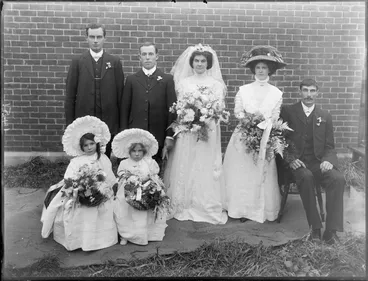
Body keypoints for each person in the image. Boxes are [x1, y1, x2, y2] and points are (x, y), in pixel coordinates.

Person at [163, 44, 228, 224]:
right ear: (191, 63)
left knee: (204, 164)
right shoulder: (184, 83)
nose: (200, 64)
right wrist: (190, 118)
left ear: (209, 64)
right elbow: (180, 108)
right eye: (197, 61)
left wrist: (205, 117)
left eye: (203, 61)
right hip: (188, 131)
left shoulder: (216, 85)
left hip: (208, 130)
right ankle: (183, 203)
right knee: (187, 162)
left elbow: (218, 108)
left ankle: (204, 204)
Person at [222, 45, 287, 223]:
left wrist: (265, 130)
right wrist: (249, 124)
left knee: (260, 172)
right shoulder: (244, 90)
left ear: (270, 70)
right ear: (253, 69)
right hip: (244, 136)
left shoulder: (276, 93)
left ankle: (260, 209)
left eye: (264, 67)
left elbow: (275, 116)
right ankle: (241, 209)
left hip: (265, 137)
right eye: (257, 67)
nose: (260, 71)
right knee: (243, 172)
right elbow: (238, 112)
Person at [280, 78, 345, 244]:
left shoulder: (325, 116)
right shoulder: (288, 111)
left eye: (312, 91)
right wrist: (291, 159)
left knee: (338, 179)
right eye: (305, 90)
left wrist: (328, 160)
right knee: (306, 177)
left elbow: (330, 146)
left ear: (318, 92)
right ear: (300, 91)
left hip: (317, 162)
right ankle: (315, 228)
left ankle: (331, 231)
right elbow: (279, 140)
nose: (309, 95)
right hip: (297, 163)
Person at [41, 116, 118, 251]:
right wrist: (79, 186)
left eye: (92, 144)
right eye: (86, 145)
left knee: (105, 206)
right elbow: (69, 178)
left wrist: (105, 188)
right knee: (76, 207)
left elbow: (109, 177)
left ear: (97, 144)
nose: (89, 148)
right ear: (81, 147)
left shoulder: (103, 158)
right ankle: (78, 240)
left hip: (101, 191)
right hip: (80, 190)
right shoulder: (76, 161)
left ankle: (99, 240)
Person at [65, 23, 125, 158]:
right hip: (85, 118)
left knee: (105, 155)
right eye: (92, 37)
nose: (95, 40)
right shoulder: (77, 61)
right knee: (86, 155)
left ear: (105, 38)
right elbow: (70, 95)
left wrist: (120, 123)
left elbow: (121, 94)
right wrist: (70, 124)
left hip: (109, 118)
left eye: (99, 36)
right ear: (87, 38)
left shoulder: (114, 61)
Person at [121, 42, 177, 167]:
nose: (147, 57)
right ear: (139, 57)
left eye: (150, 54)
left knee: (154, 171)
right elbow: (125, 109)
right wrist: (124, 134)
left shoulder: (167, 79)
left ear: (157, 56)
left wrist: (169, 136)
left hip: (158, 134)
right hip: (135, 134)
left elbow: (172, 110)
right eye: (144, 54)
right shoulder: (131, 79)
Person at [112, 128, 168, 245]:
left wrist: (148, 181)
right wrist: (130, 179)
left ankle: (144, 233)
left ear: (144, 152)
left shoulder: (149, 162)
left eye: (140, 151)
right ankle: (125, 234)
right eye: (134, 151)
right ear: (129, 151)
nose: (137, 154)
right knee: (125, 212)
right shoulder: (124, 163)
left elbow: (154, 175)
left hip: (145, 191)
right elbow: (121, 175)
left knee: (143, 213)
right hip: (128, 192)